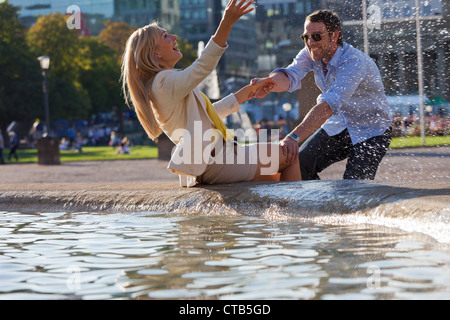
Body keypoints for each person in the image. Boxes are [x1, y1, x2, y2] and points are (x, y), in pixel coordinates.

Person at [121, 0, 301, 187]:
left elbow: (208, 115)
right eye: (166, 36)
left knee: (275, 179)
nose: (174, 36)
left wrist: (248, 91)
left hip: (214, 161)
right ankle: (298, 213)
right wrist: (227, 21)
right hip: (220, 161)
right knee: (290, 154)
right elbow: (203, 66)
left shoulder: (162, 84)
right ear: (155, 53)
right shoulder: (163, 82)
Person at [251, 10, 393, 180]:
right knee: (300, 164)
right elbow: (291, 74)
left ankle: (342, 201)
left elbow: (327, 107)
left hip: (373, 131)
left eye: (316, 36)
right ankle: (318, 204)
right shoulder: (310, 53)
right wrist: (268, 83)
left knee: (353, 187)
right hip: (340, 125)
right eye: (306, 37)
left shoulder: (354, 62)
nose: (310, 42)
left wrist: (293, 137)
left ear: (334, 35)